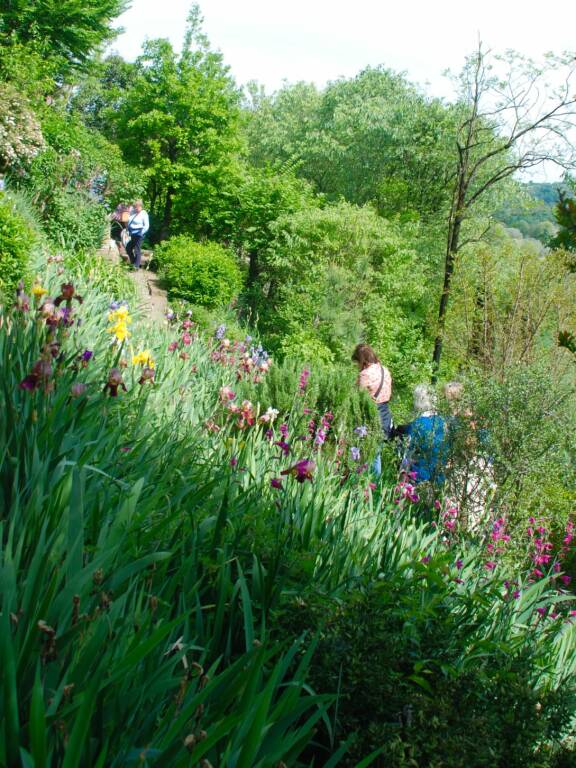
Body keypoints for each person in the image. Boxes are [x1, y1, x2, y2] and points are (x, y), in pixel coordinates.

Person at [394, 384, 448, 486]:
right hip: (440, 475)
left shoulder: (418, 424)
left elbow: (407, 454)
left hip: (420, 476)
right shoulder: (442, 421)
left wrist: (401, 479)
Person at [352, 343, 393, 438]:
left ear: (362, 361)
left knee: (364, 448)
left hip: (370, 414)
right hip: (385, 415)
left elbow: (357, 399)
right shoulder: (385, 370)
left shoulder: (365, 375)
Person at [126, 200, 149, 270]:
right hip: (132, 233)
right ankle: (133, 263)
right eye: (135, 207)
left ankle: (136, 266)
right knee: (128, 248)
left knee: (137, 249)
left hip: (139, 234)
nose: (136, 208)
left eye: (137, 207)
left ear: (141, 206)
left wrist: (141, 233)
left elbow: (147, 225)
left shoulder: (144, 213)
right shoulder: (132, 212)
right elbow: (128, 220)